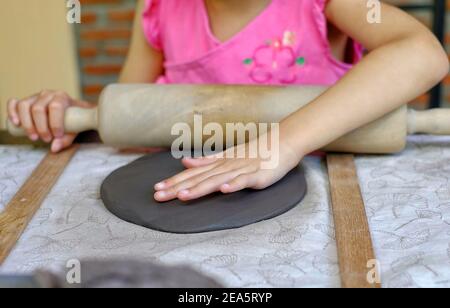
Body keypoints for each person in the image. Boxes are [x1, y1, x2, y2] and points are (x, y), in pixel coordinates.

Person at [7, 0, 449, 202]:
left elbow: (423, 53)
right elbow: (130, 116)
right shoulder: (160, 10)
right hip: (190, 205)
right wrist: (72, 116)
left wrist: (283, 143)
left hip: (326, 195)